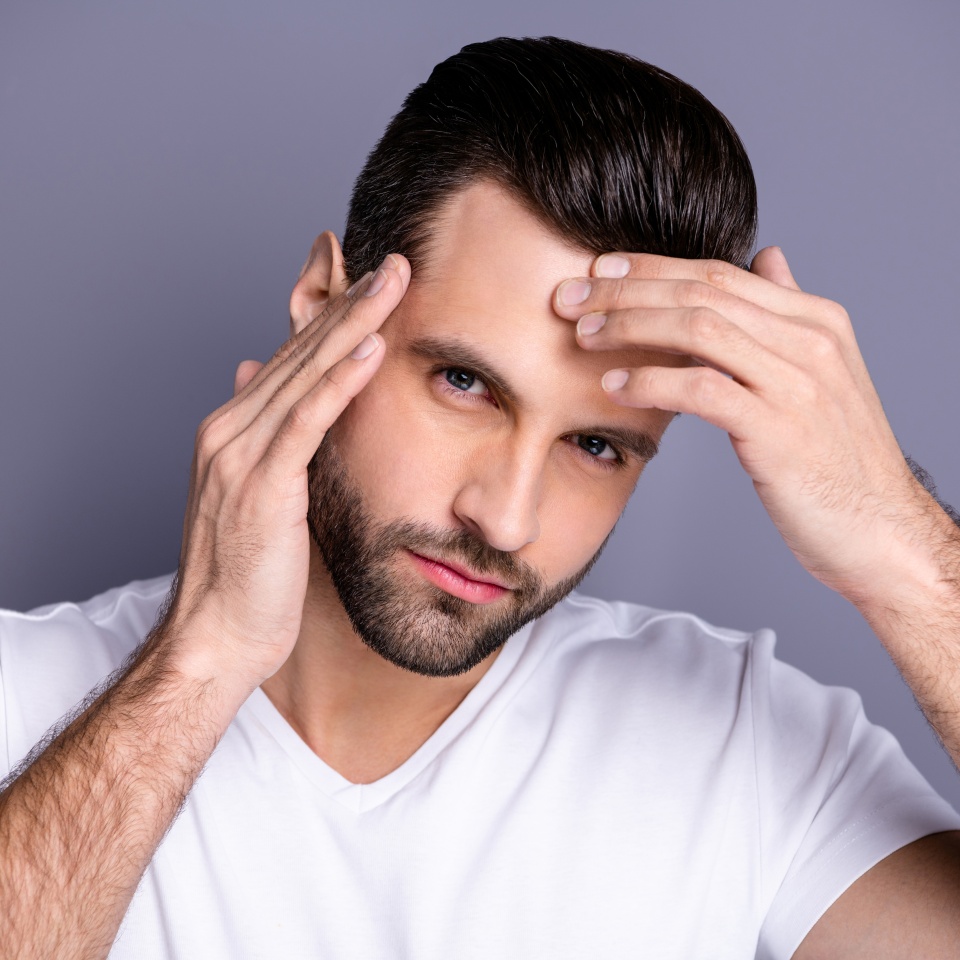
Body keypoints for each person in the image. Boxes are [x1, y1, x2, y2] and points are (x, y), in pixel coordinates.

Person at [1, 34, 959, 959]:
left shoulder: (744, 744)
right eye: (464, 384)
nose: (505, 519)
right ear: (320, 309)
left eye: (595, 445)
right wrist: (197, 667)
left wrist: (907, 560)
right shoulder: (22, 698)